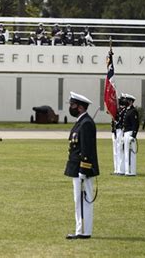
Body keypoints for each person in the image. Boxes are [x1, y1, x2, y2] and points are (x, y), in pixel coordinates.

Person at [65, 92, 99, 240]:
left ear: (79, 107)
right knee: (78, 200)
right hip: (77, 168)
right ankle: (81, 230)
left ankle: (83, 231)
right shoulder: (82, 122)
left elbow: (87, 150)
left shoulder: (86, 123)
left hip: (82, 169)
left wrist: (83, 170)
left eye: (72, 105)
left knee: (82, 200)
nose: (70, 108)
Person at [122, 94, 139, 176]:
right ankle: (127, 170)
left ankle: (132, 171)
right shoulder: (127, 110)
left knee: (131, 153)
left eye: (127, 100)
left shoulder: (133, 111)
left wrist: (133, 136)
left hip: (130, 133)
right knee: (126, 152)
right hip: (126, 133)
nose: (125, 101)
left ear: (131, 102)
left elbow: (135, 124)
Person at [113, 95, 127, 175]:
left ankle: (121, 169)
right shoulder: (119, 111)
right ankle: (117, 169)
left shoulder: (124, 111)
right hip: (116, 130)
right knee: (117, 151)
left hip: (121, 131)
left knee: (121, 150)